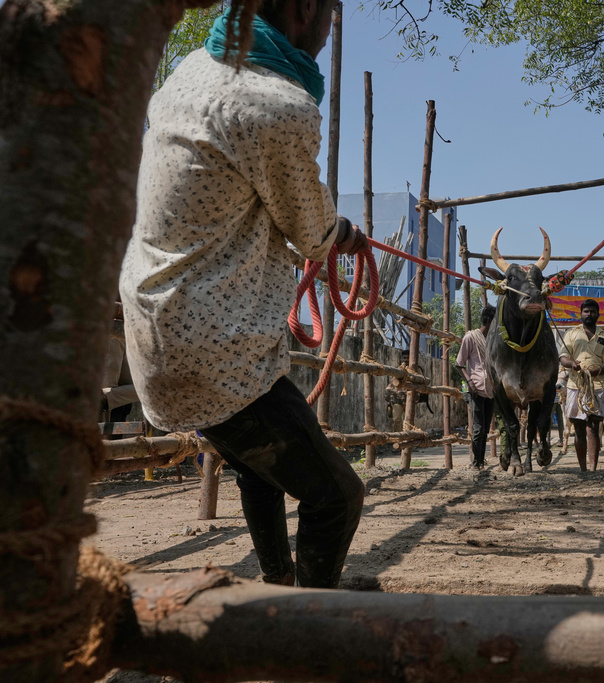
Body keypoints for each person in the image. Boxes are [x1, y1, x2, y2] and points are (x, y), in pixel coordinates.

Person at [120, 0, 369, 589]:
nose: (332, 29)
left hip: (161, 327)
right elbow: (312, 234)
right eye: (332, 13)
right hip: (217, 352)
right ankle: (306, 629)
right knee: (337, 495)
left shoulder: (193, 70)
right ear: (307, 10)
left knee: (261, 469)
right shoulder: (278, 105)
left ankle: (277, 590)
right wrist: (349, 237)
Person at [558, 299, 604, 471]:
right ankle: (583, 469)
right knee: (579, 428)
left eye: (592, 312)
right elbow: (562, 357)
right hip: (576, 386)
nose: (589, 314)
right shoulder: (571, 334)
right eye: (586, 312)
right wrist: (572, 365)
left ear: (598, 314)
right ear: (581, 313)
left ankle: (593, 468)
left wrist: (596, 371)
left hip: (597, 387)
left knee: (594, 428)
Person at [456, 305, 496, 469]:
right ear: (489, 321)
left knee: (486, 428)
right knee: (478, 428)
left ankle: (480, 460)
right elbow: (459, 364)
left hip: (491, 389)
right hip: (475, 389)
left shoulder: (493, 341)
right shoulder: (471, 338)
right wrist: (469, 382)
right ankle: (475, 462)